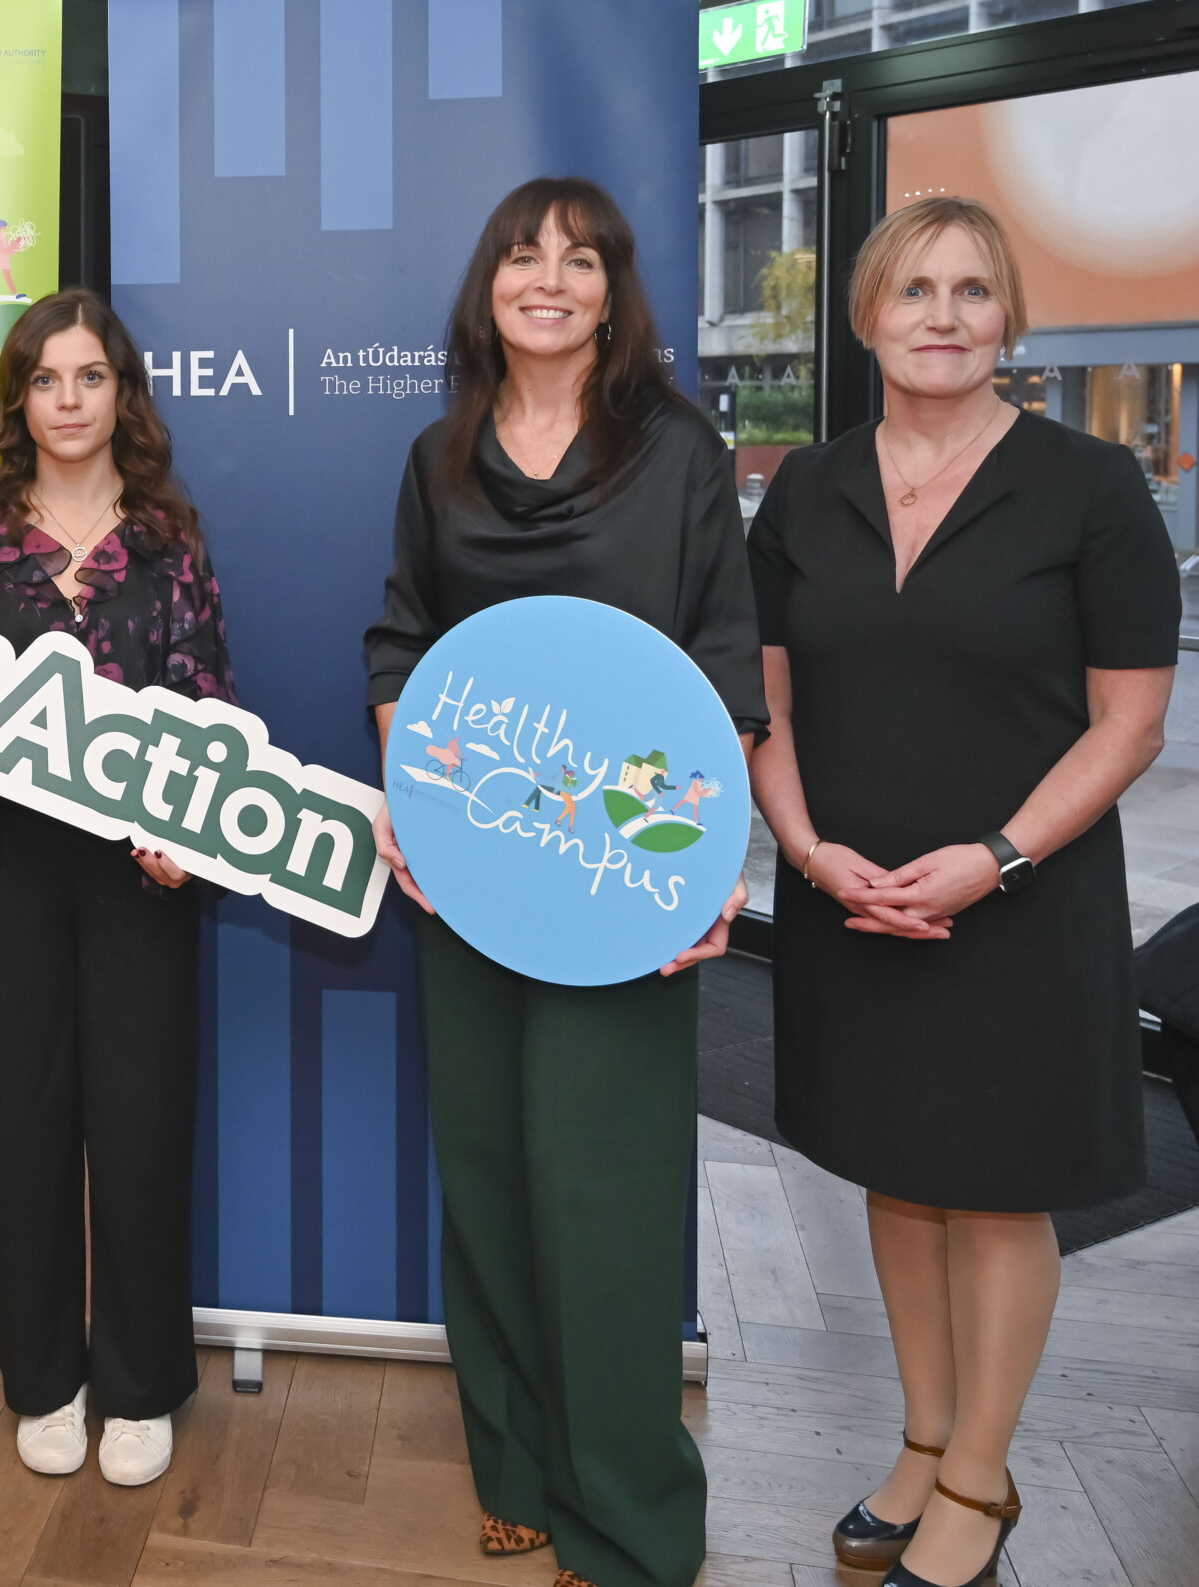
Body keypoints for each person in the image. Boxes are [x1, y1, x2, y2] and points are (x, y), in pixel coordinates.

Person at [748, 196, 1176, 1587]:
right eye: (915, 288)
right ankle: (924, 1444)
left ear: (1010, 320)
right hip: (852, 894)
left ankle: (980, 1483)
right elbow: (770, 710)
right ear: (867, 312)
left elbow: (1128, 726)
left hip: (1022, 900)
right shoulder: (805, 490)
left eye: (972, 290)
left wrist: (995, 859)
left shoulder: (1093, 485)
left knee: (998, 1190)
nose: (942, 314)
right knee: (899, 1165)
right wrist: (809, 854)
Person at [363, 176, 763, 1587]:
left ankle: (634, 1514)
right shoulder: (441, 455)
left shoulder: (681, 453)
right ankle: (517, 1464)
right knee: (488, 1175)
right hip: (474, 871)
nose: (549, 277)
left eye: (578, 258)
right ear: (488, 287)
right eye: (522, 255)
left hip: (623, 884)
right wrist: (409, 793)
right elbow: (403, 641)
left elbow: (726, 660)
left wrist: (714, 869)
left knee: (600, 1191)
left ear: (614, 291)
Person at [0, 288, 230, 1487]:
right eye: (46, 379)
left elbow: (207, 708)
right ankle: (44, 1377)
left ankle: (139, 1385)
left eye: (91, 377)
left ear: (119, 394)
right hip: (15, 871)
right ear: (17, 398)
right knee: (25, 1124)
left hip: (141, 877)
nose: (69, 400)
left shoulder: (168, 540)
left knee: (140, 1128)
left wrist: (192, 830)